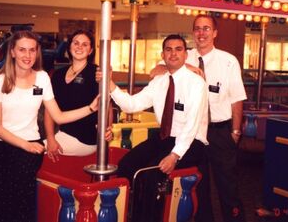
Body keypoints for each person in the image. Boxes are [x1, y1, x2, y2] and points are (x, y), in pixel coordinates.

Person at [0, 30, 98, 222]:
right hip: (0, 148)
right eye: (22, 50)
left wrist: (90, 108)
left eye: (32, 50)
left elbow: (58, 116)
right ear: (12, 52)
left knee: (22, 203)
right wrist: (26, 145)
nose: (27, 55)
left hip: (29, 147)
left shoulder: (42, 77)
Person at [150, 15, 247, 222]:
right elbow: (154, 71)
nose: (201, 33)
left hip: (220, 131)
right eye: (197, 29)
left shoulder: (228, 61)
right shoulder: (184, 55)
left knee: (228, 187)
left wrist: (235, 132)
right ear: (193, 32)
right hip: (192, 133)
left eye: (206, 29)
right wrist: (187, 68)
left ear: (215, 33)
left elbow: (237, 99)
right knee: (197, 186)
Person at [104, 34, 209, 222]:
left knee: (151, 175)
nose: (173, 53)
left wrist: (174, 156)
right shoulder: (158, 82)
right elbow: (131, 105)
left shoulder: (196, 83)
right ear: (162, 55)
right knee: (127, 165)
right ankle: (133, 215)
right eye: (168, 49)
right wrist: (110, 84)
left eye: (178, 49)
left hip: (191, 142)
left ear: (185, 55)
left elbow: (191, 125)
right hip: (164, 138)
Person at [44, 29, 111, 161]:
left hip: (86, 139)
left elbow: (107, 105)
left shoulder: (96, 73)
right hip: (63, 134)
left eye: (85, 44)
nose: (79, 47)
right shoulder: (58, 75)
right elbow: (49, 109)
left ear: (90, 50)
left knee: (34, 150)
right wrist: (51, 138)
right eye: (76, 43)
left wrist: (107, 129)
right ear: (70, 46)